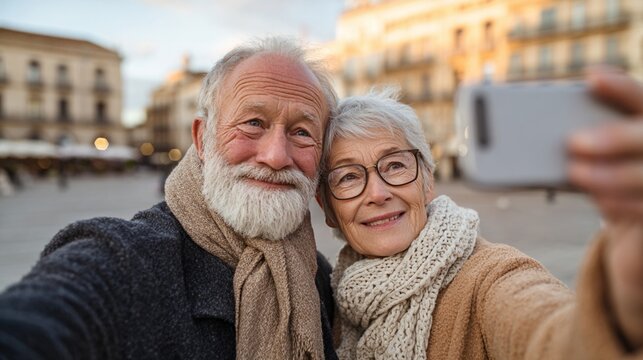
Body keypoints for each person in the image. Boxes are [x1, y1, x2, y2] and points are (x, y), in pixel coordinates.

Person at [0, 37, 339, 360]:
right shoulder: (126, 260)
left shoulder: (318, 274)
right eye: (253, 122)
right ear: (202, 140)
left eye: (301, 132)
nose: (277, 156)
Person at [318, 68, 643, 359]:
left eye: (395, 165)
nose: (377, 193)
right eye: (348, 177)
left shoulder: (492, 277)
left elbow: (552, 335)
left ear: (428, 180)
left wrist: (620, 312)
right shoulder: (332, 298)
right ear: (328, 209)